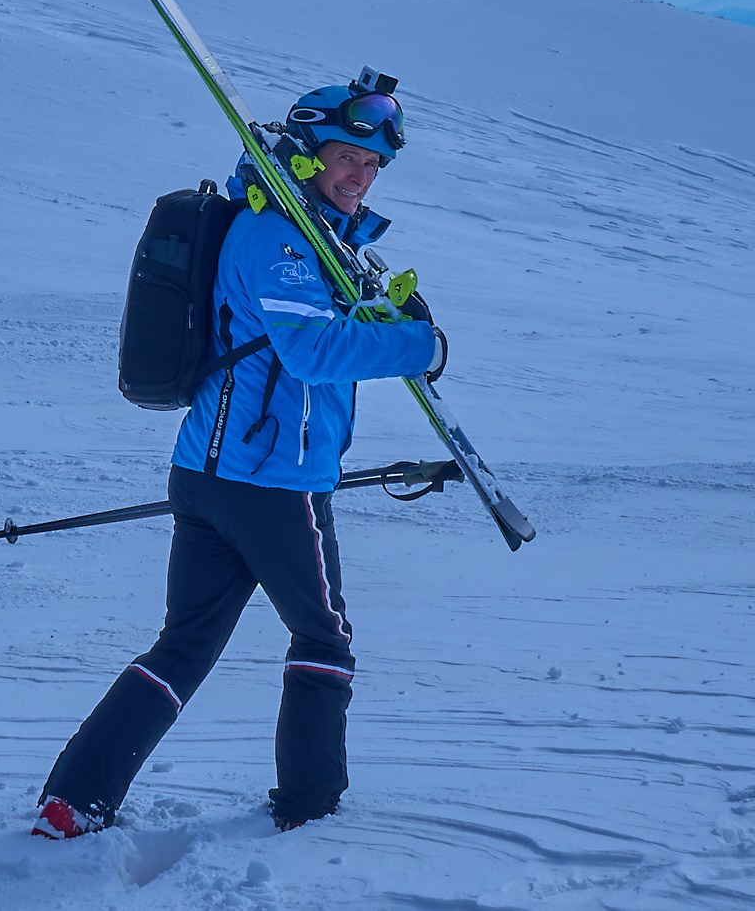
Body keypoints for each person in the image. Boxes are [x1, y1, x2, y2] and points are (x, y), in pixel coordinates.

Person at [32, 76, 447, 838]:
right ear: (306, 153)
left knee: (185, 643)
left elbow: (309, 333)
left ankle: (75, 798)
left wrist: (378, 312)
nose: (360, 175)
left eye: (374, 165)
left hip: (208, 475)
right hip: (274, 483)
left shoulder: (298, 232)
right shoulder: (279, 238)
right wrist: (418, 344)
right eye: (348, 156)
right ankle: (312, 807)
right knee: (325, 638)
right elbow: (312, 350)